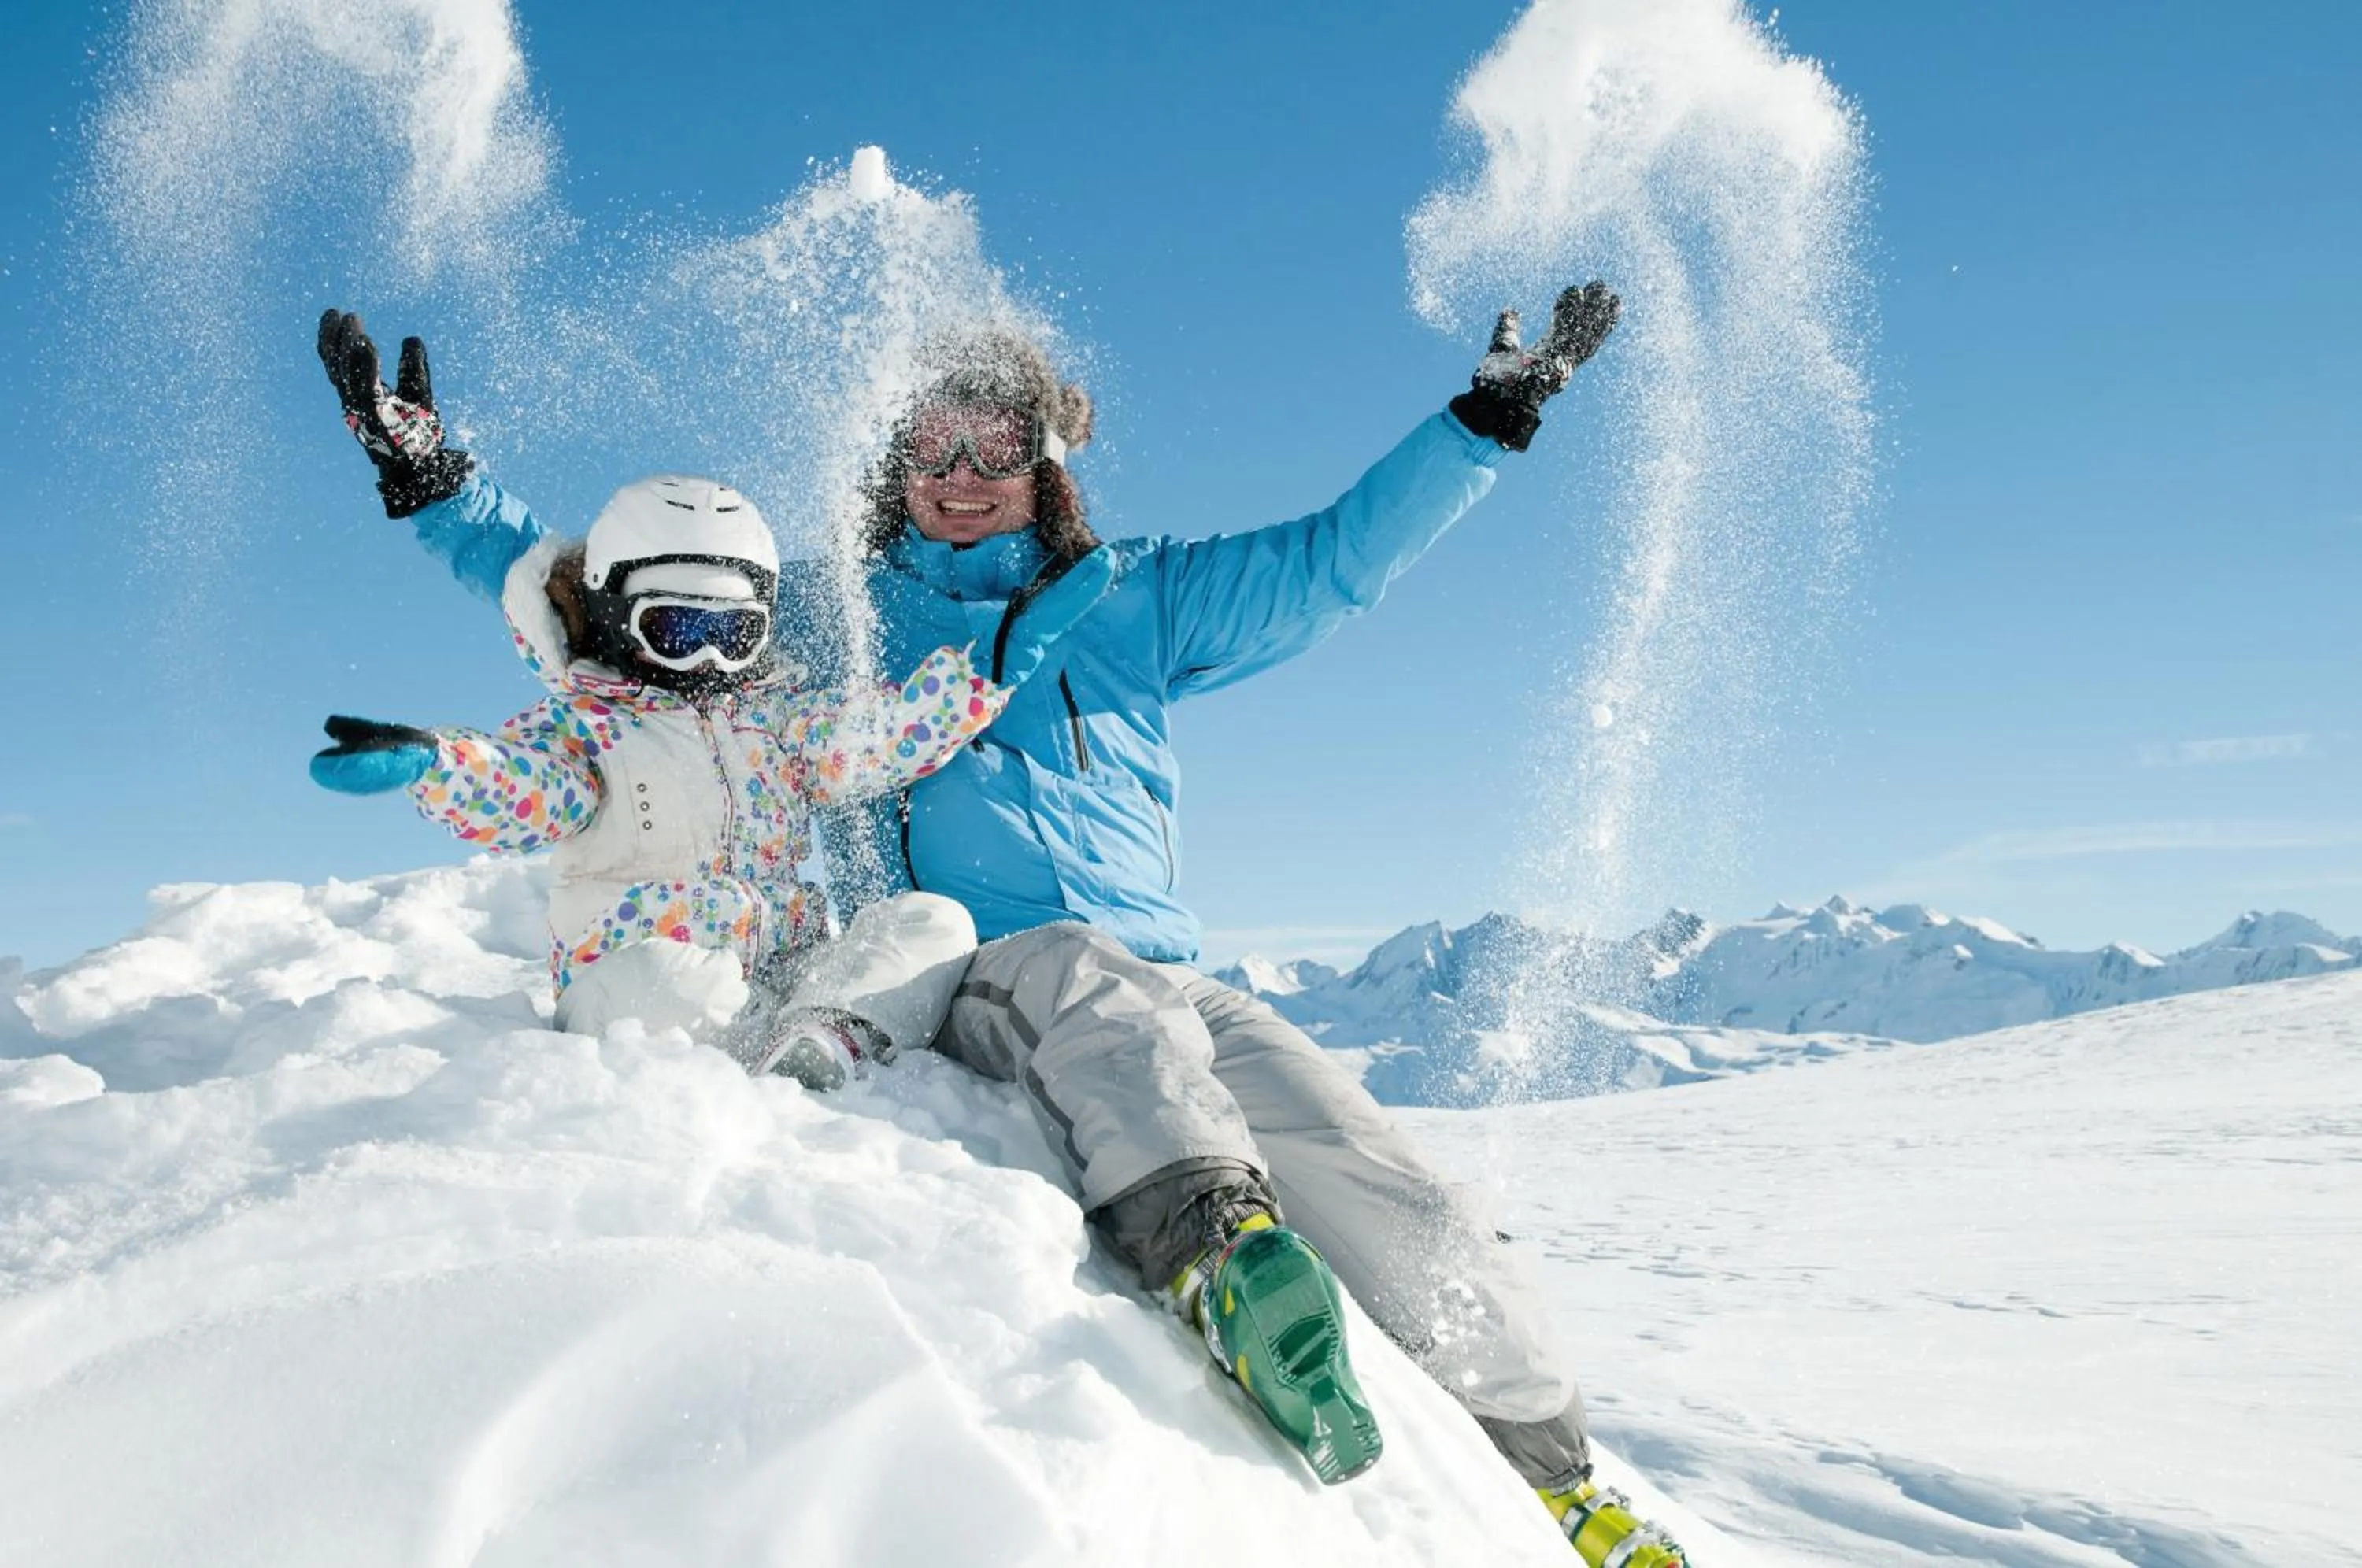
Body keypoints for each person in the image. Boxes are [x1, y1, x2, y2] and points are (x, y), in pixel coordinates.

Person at [317, 295, 1687, 1562]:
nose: (962, 473)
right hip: (974, 972)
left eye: (996, 443)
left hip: (1172, 984)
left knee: (1397, 1193)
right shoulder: (836, 616)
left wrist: (1483, 423)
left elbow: (1333, 561)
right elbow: (605, 588)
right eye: (931, 444)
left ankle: (1558, 1478)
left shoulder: (1134, 594)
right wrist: (437, 483)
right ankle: (1212, 1250)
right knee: (1087, 981)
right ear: (892, 463)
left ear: (1048, 458)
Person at [304, 349, 1113, 1078]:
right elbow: (523, 787)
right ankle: (745, 1059)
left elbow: (878, 742)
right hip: (640, 981)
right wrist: (438, 764)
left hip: (781, 974)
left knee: (931, 922)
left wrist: (986, 673)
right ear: (616, 617)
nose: (710, 662)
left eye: (735, 635)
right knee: (668, 982)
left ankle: (827, 1038)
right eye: (679, 631)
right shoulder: (592, 727)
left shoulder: (777, 719)